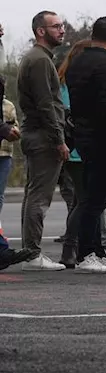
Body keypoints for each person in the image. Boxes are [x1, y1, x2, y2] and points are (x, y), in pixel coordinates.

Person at [64, 17, 106, 274]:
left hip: (85, 136)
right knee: (96, 200)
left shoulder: (77, 62)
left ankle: (97, 251)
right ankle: (87, 253)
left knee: (92, 196)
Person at [17, 10, 69, 271]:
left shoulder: (40, 58)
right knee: (39, 197)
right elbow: (45, 103)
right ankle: (32, 253)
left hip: (38, 134)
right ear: (41, 31)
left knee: (33, 194)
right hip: (43, 136)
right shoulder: (39, 60)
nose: (62, 30)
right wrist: (59, 139)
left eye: (62, 25)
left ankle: (30, 252)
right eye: (56, 26)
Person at [0, 74, 34, 270]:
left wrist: (12, 132)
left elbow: (14, 126)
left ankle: (2, 249)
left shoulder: (8, 106)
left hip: (4, 153)